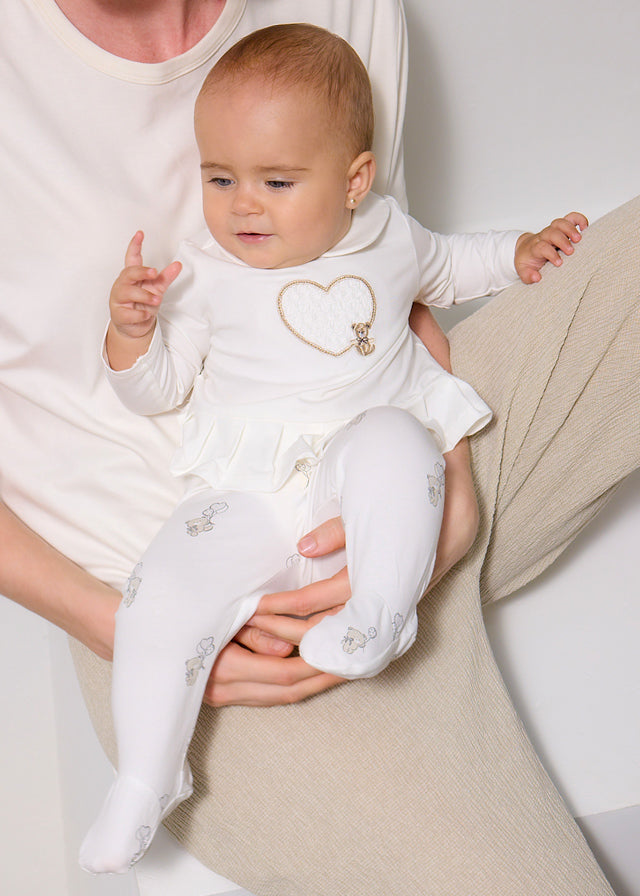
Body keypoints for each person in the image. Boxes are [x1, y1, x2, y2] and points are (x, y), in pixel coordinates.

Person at [0, 1, 637, 894]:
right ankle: (151, 772)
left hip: (387, 480)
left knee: (389, 444)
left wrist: (450, 470)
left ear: (351, 177)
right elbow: (160, 385)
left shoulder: (380, 213)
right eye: (218, 181)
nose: (241, 207)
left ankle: (380, 613)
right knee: (173, 583)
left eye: (272, 183)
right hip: (236, 557)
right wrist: (132, 337)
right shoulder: (206, 273)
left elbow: (432, 282)